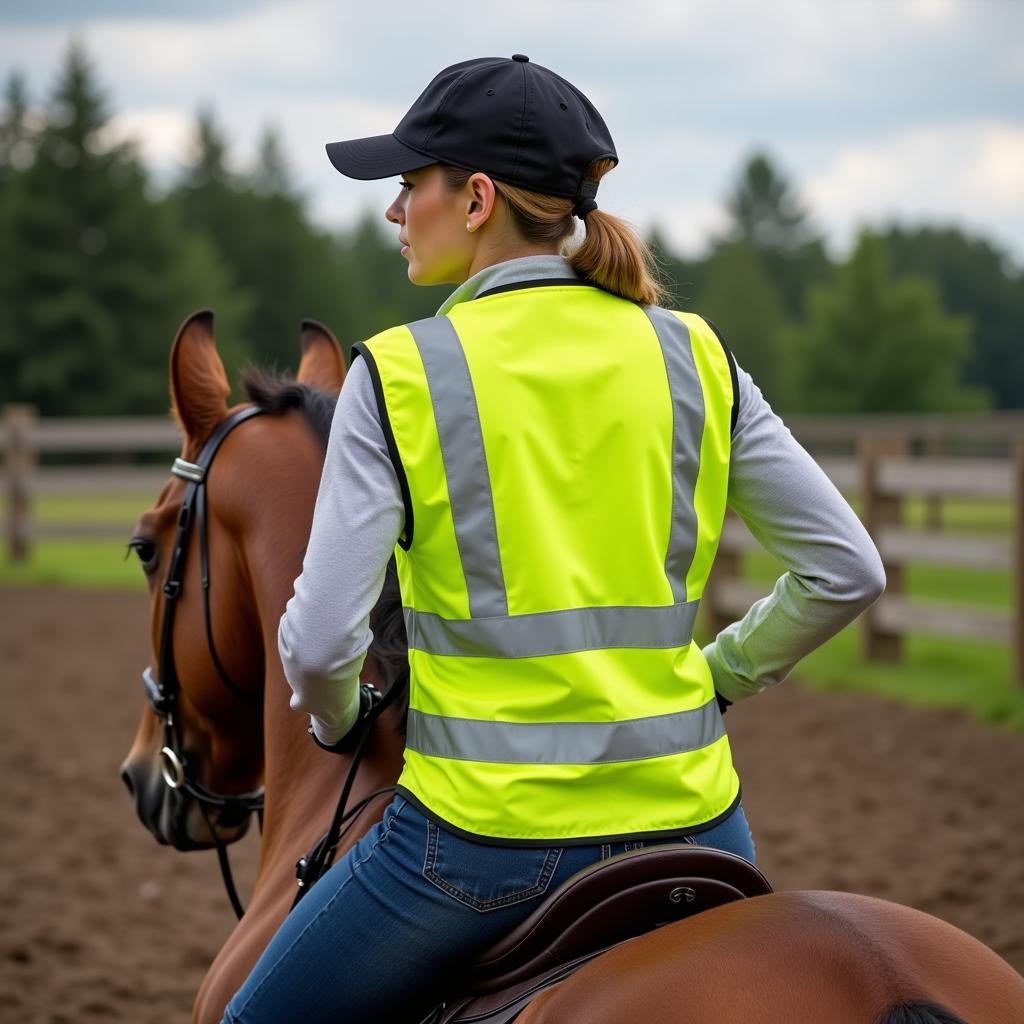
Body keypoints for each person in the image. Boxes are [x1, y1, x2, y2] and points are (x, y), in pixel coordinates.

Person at [222, 55, 885, 1024]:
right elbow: (845, 569)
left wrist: (329, 722)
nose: (395, 211)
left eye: (410, 185)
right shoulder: (694, 352)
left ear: (477, 195)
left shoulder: (401, 372)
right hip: (696, 826)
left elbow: (323, 642)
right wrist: (721, 675)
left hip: (476, 842)